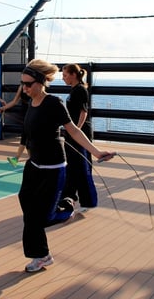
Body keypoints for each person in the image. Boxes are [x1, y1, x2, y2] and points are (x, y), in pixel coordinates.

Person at [18, 59, 114, 273]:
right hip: (34, 166)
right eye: (22, 84)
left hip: (53, 168)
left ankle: (67, 208)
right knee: (28, 207)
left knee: (41, 217)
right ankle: (41, 256)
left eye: (28, 84)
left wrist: (96, 152)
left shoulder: (54, 103)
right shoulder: (31, 104)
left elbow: (73, 130)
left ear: (41, 82)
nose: (24, 88)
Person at [61, 63, 98, 210]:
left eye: (65, 75)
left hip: (80, 133)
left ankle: (88, 201)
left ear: (73, 75)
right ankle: (69, 197)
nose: (63, 78)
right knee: (71, 166)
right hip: (71, 133)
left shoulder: (81, 90)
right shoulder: (73, 90)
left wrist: (76, 130)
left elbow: (84, 112)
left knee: (83, 166)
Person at [0, 84, 29, 166]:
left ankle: (18, 159)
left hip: (33, 113)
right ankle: (19, 159)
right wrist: (3, 108)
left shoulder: (36, 86)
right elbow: (14, 101)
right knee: (25, 137)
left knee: (27, 137)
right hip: (25, 113)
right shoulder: (21, 86)